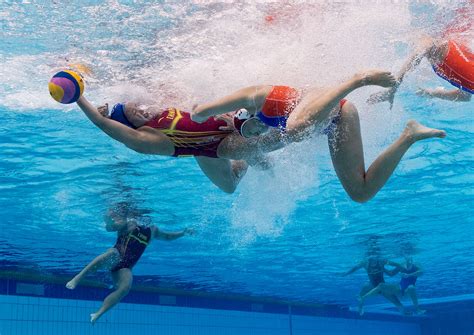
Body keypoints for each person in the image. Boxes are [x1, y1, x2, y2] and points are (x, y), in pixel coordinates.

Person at [77, 69, 445, 201]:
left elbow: (258, 110)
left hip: (319, 107)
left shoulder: (185, 105)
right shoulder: (155, 140)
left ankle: (358, 79)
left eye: (139, 105)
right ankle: (409, 135)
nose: (143, 109)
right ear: (140, 128)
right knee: (361, 193)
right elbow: (112, 129)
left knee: (290, 133)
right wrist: (81, 100)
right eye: (136, 115)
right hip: (332, 119)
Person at [65, 204, 194, 324]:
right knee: (113, 254)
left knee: (125, 288)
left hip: (125, 267)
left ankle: (98, 313)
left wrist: (183, 233)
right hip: (115, 255)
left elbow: (167, 237)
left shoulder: (153, 230)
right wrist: (109, 219)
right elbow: (109, 227)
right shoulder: (129, 222)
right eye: (142, 214)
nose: (145, 217)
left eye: (148, 215)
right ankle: (78, 278)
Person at [358, 256, 425, 315]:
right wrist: (383, 268)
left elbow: (421, 272)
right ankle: (363, 297)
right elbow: (391, 274)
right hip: (399, 288)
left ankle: (418, 310)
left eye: (409, 255)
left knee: (411, 287)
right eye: (405, 255)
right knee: (381, 286)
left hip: (408, 290)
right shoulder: (402, 264)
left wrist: (409, 275)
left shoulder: (417, 264)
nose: (407, 256)